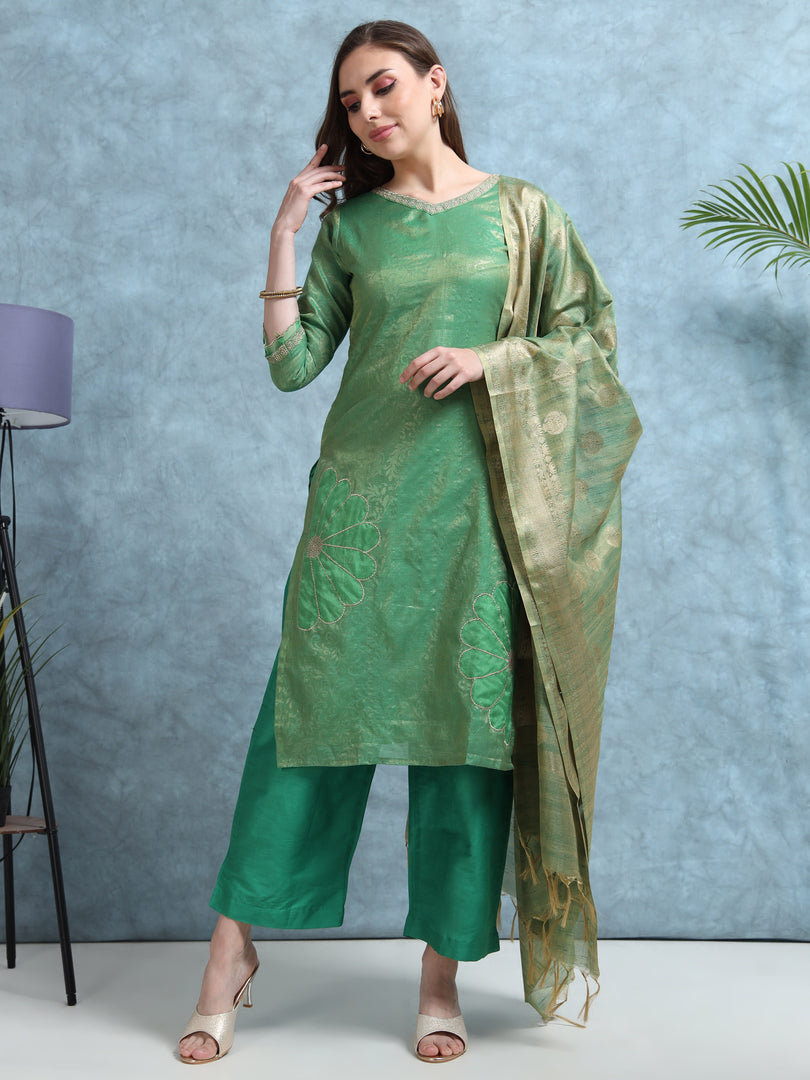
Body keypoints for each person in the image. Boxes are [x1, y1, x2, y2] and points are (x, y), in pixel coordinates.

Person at [178, 19, 640, 1066]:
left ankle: (441, 980)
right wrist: (286, 233)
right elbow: (294, 368)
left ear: (437, 85)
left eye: (384, 88)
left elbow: (590, 349)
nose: (369, 113)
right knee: (300, 732)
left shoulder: (525, 215)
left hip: (478, 518)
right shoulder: (357, 229)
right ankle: (227, 960)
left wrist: (494, 360)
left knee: (462, 749)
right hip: (358, 512)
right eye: (350, 103)